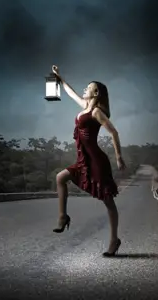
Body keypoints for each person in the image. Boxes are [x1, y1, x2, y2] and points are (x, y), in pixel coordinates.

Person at [50, 65, 126, 257]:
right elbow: (70, 92)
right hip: (83, 159)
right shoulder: (85, 107)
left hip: (96, 160)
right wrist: (59, 77)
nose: (85, 89)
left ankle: (114, 240)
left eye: (88, 87)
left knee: (108, 201)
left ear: (96, 92)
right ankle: (63, 216)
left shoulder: (96, 113)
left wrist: (118, 157)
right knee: (60, 178)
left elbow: (114, 132)